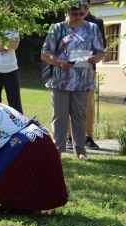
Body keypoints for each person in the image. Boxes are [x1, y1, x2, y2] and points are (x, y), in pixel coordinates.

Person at [41, 0, 105, 160]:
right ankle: (58, 150)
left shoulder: (92, 28)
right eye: (74, 14)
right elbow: (45, 53)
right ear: (67, 13)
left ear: (86, 12)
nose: (77, 17)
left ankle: (81, 151)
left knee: (79, 115)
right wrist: (59, 62)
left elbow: (101, 52)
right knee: (60, 116)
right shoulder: (57, 28)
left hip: (83, 80)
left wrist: (94, 59)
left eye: (81, 14)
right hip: (61, 80)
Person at [66, 0, 107, 150]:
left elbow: (102, 45)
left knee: (87, 105)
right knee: (69, 102)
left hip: (89, 68)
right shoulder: (68, 20)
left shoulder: (97, 22)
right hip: (68, 69)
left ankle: (88, 137)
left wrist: (82, 57)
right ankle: (69, 137)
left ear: (89, 5)